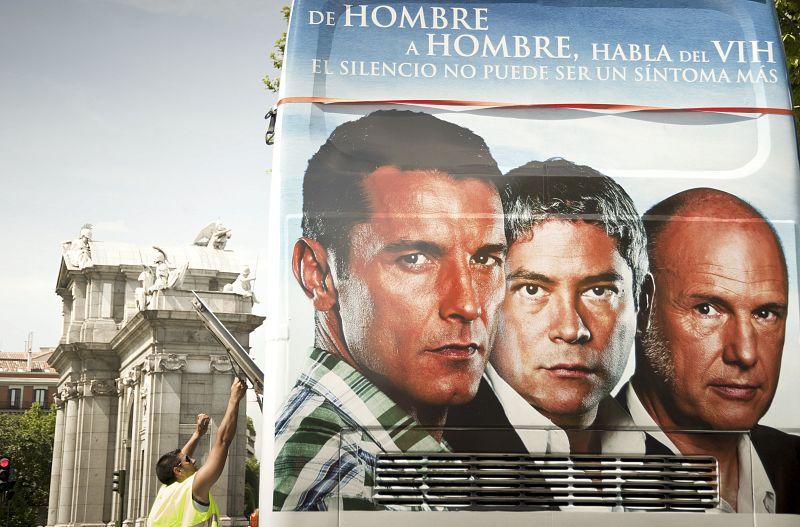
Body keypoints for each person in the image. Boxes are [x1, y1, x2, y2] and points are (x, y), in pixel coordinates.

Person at [274, 110, 506, 510]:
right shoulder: (339, 479)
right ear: (318, 274)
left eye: (485, 260)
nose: (467, 304)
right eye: (415, 258)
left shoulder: (389, 454)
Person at [448, 159, 651, 455]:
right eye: (533, 290)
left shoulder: (668, 465)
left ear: (643, 304)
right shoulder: (439, 452)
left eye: (598, 291)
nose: (570, 329)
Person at [620, 187, 799, 513]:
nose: (745, 353)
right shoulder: (575, 466)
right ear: (640, 305)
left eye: (765, 313)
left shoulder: (794, 464)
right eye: (707, 309)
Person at [147, 378, 246, 526]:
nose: (194, 460)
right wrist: (234, 399)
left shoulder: (166, 491)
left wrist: (197, 434)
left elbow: (179, 458)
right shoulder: (195, 487)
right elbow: (223, 442)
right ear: (178, 471)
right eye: (188, 460)